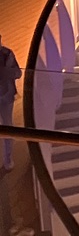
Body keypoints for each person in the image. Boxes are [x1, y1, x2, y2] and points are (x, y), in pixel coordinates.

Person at [1, 32, 20, 235]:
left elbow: (17, 74)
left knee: (8, 129)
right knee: (7, 130)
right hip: (5, 96)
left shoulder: (7, 54)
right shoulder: (7, 54)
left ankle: (7, 160)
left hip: (5, 97)